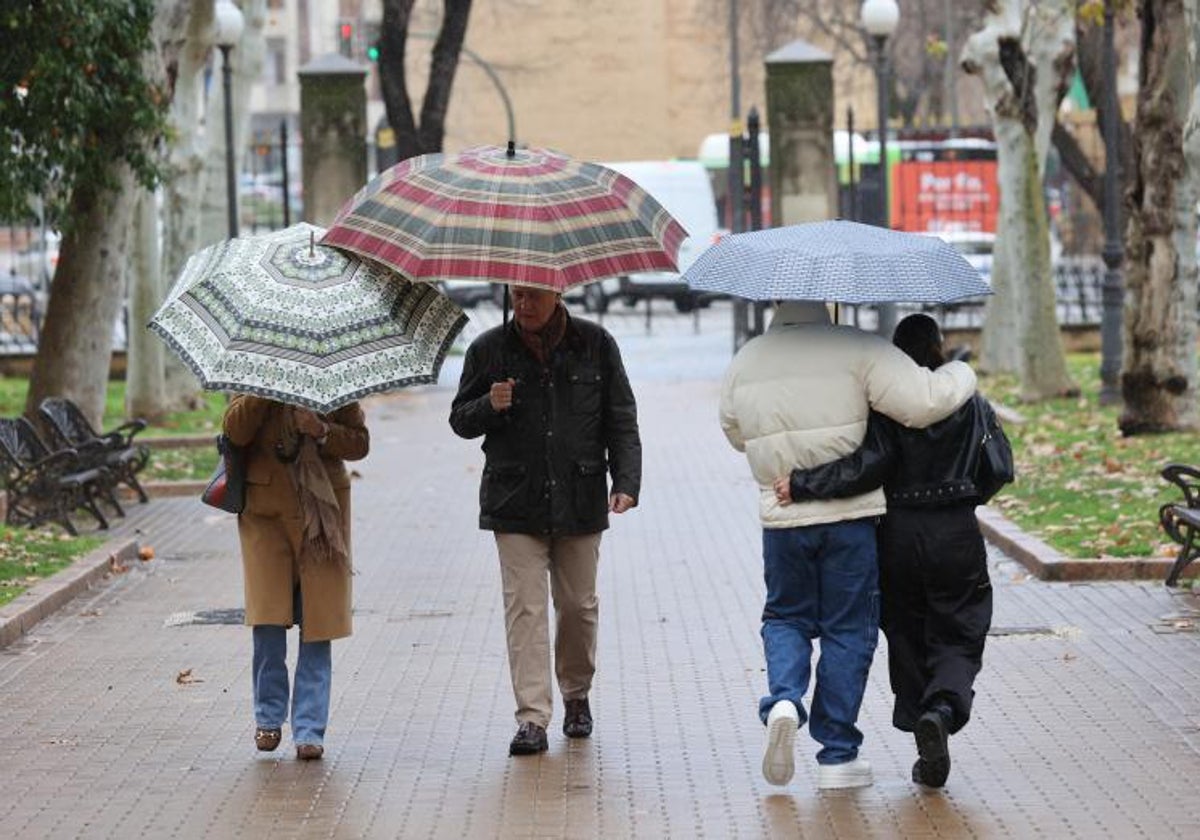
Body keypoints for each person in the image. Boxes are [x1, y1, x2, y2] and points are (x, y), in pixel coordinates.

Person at [719, 301, 977, 791]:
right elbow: (923, 402)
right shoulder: (859, 348)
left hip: (782, 517)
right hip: (851, 519)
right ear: (827, 303)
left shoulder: (747, 358)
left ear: (778, 304)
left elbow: (735, 431)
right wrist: (962, 371)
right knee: (848, 630)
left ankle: (784, 700)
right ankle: (837, 755)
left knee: (785, 616)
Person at [775, 313, 1002, 789]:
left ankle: (925, 717)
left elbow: (866, 466)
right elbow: (997, 466)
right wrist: (963, 496)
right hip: (956, 529)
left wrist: (802, 483)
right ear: (940, 349)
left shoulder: (887, 407)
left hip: (896, 533)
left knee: (905, 630)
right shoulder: (970, 403)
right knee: (959, 630)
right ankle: (943, 709)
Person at [450, 286, 641, 756]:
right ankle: (532, 717)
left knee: (578, 606)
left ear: (557, 292)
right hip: (514, 499)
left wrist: (627, 481)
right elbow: (460, 420)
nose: (525, 304)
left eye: (534, 295)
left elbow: (621, 418)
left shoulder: (595, 343)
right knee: (525, 610)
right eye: (517, 295)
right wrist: (488, 405)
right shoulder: (488, 349)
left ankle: (577, 694)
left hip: (580, 495)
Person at [222, 395, 369, 761]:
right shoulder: (252, 372)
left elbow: (360, 443)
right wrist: (262, 392)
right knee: (268, 621)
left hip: (323, 513)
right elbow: (234, 432)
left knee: (318, 623)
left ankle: (309, 730)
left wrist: (321, 430)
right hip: (265, 514)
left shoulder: (337, 378)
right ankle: (268, 718)